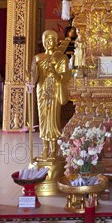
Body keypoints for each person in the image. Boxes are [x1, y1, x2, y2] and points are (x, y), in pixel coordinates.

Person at [30, 30, 71, 160]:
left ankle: (53, 149)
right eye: (46, 40)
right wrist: (29, 77)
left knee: (52, 120)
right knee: (43, 120)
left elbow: (66, 76)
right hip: (41, 91)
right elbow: (34, 76)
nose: (48, 42)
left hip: (54, 90)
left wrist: (55, 73)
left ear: (56, 41)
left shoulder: (61, 58)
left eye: (51, 39)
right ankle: (45, 148)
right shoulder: (38, 58)